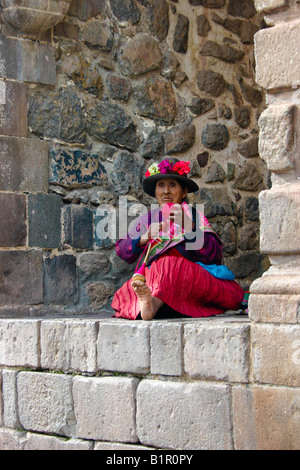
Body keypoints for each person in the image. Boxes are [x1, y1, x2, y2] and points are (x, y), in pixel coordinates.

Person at [111, 157, 244, 321]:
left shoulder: (193, 216)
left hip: (190, 282)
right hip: (154, 279)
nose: (166, 191)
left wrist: (190, 228)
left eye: (172, 185)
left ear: (184, 191)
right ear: (155, 192)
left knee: (170, 266)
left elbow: (214, 255)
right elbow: (122, 251)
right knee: (124, 294)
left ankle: (151, 303)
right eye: (161, 185)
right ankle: (151, 303)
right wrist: (143, 238)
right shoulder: (148, 220)